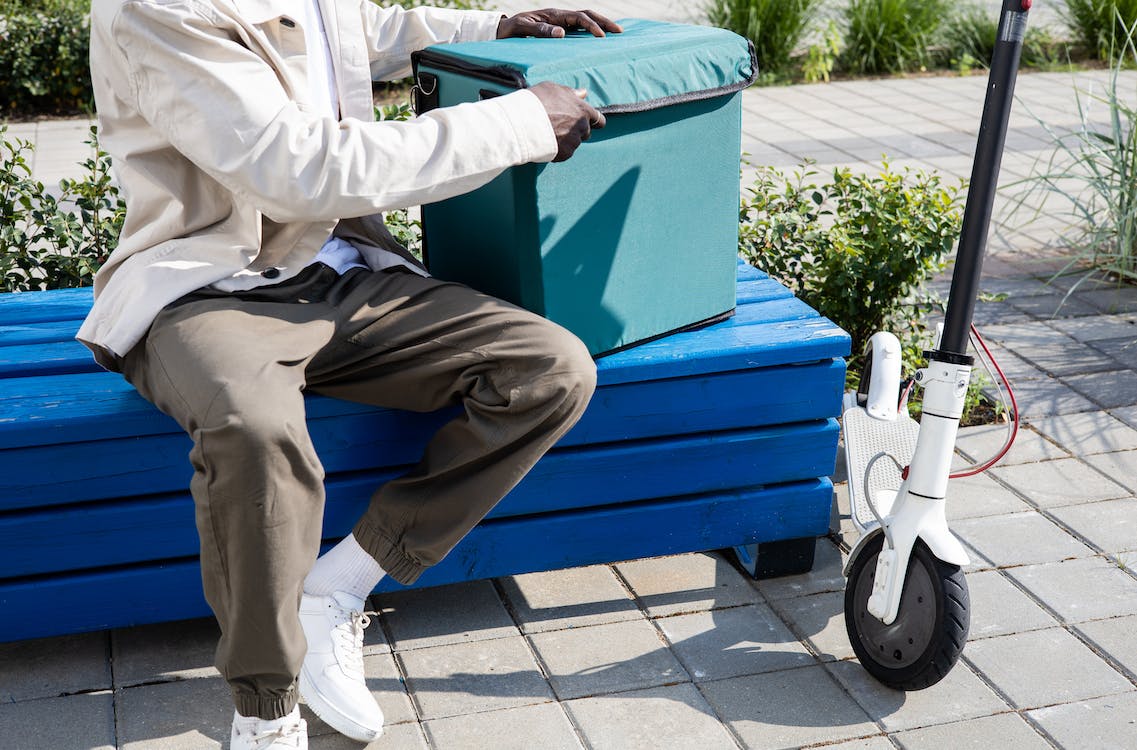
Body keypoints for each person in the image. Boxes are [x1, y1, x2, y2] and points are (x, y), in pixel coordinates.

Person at [80, 1, 621, 746]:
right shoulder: (154, 8)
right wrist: (520, 122)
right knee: (254, 431)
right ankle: (265, 711)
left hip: (343, 271)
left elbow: (360, 30)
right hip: (208, 286)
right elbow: (296, 169)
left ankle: (338, 587)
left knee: (549, 371)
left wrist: (493, 27)